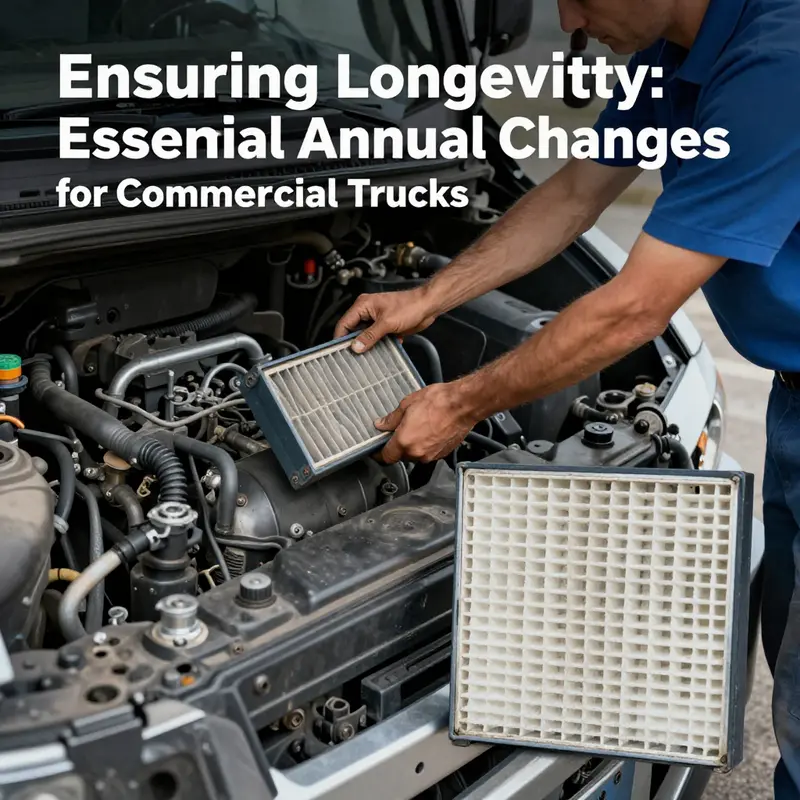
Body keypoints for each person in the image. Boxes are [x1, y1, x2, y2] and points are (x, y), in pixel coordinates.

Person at [334, 0, 800, 794]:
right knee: (791, 656)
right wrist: (431, 297)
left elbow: (634, 307)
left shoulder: (779, 61)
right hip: (793, 403)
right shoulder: (674, 57)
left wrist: (464, 402)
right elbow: (579, 189)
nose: (571, 21)